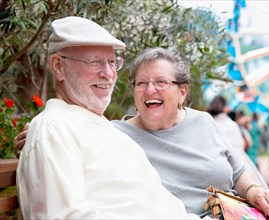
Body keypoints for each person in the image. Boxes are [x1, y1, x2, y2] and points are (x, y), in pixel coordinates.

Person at [15, 47, 269, 219]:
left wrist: (254, 189)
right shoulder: (117, 133)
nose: (150, 90)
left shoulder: (203, 122)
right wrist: (34, 134)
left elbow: (236, 169)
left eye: (161, 82)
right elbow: (74, 133)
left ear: (182, 92)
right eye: (141, 83)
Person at [16, 16, 199, 219]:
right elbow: (62, 216)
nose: (109, 74)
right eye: (95, 62)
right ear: (59, 67)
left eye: (112, 62)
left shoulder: (105, 129)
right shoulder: (55, 129)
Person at [207, 96, 266, 185]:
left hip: (215, 166)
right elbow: (242, 145)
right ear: (224, 107)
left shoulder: (209, 124)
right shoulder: (231, 124)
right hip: (239, 163)